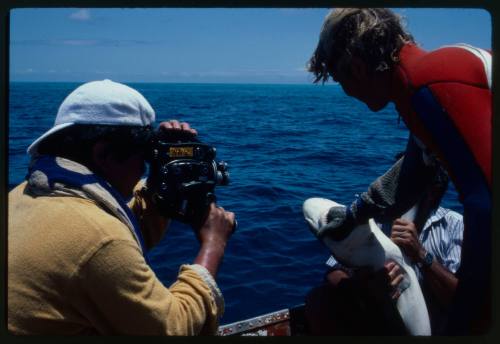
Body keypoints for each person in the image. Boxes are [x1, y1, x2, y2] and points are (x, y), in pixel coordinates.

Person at [307, 8, 491, 334]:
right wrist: (355, 214)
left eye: (339, 80)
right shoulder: (421, 82)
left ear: (358, 68)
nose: (346, 92)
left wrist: (468, 313)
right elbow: (410, 174)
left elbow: (486, 204)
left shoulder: (430, 87)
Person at [8, 79, 236, 335]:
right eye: (143, 157)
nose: (143, 168)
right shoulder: (98, 238)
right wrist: (213, 243)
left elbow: (122, 222)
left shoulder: (27, 194)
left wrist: (164, 169)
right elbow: (175, 329)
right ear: (104, 154)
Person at [305, 163, 464, 335]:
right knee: (319, 297)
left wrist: (421, 255)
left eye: (407, 184)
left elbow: (462, 301)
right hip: (380, 317)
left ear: (432, 192)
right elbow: (333, 272)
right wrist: (364, 284)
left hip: (437, 327)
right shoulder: (375, 218)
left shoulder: (455, 225)